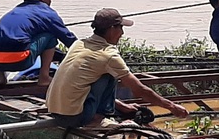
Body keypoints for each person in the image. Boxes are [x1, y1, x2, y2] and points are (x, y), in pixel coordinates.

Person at [46, 8, 189, 128]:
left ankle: (101, 112)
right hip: (75, 117)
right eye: (120, 27)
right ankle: (97, 119)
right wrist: (172, 107)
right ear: (111, 29)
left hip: (55, 111)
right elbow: (139, 89)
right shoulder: (108, 55)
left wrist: (121, 105)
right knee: (111, 73)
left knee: (100, 73)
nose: (122, 33)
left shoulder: (79, 44)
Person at [0, 0, 77, 86]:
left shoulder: (14, 11)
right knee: (50, 35)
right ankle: (44, 78)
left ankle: (1, 78)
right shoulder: (48, 13)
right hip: (20, 61)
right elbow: (68, 39)